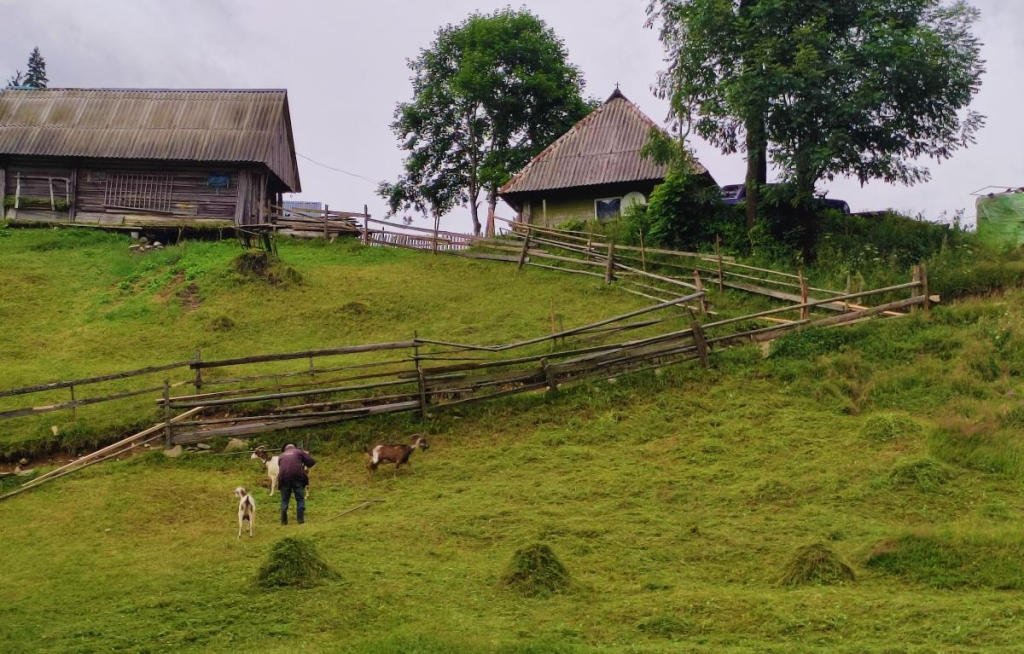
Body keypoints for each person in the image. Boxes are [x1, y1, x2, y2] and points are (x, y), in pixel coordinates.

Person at [278, 444, 315, 525]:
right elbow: (311, 462)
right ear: (294, 447)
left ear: (285, 449)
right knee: (300, 499)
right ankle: (300, 521)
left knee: (284, 501)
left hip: (283, 479)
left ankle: (283, 522)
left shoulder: (281, 456)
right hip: (297, 477)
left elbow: (281, 467)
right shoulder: (299, 452)